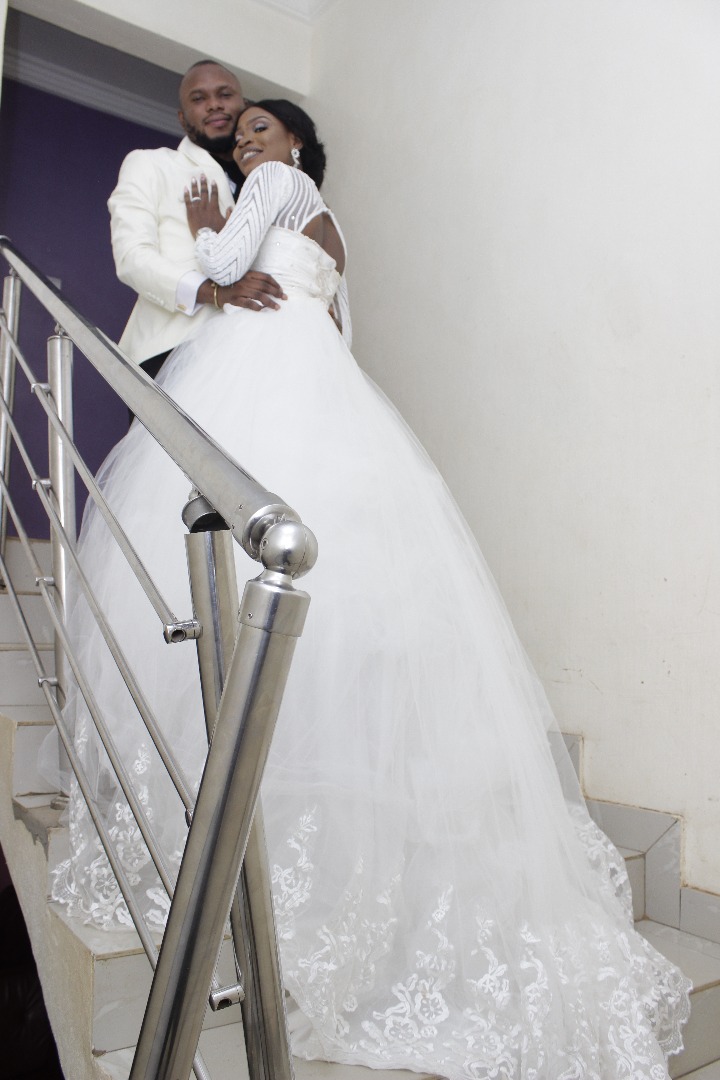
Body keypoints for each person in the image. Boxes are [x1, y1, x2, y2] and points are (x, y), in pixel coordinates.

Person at [52, 100, 691, 1078]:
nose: (244, 141)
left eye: (260, 128)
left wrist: (205, 219)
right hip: (322, 382)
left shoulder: (275, 185)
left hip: (258, 371)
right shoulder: (333, 223)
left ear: (296, 146)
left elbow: (222, 267)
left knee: (227, 535)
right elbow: (339, 324)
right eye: (240, 134)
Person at [108, 60, 285, 382]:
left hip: (255, 356)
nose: (214, 104)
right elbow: (132, 258)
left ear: (243, 104)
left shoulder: (272, 182)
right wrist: (213, 293)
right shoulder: (151, 163)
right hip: (171, 350)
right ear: (182, 117)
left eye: (225, 94)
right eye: (199, 98)